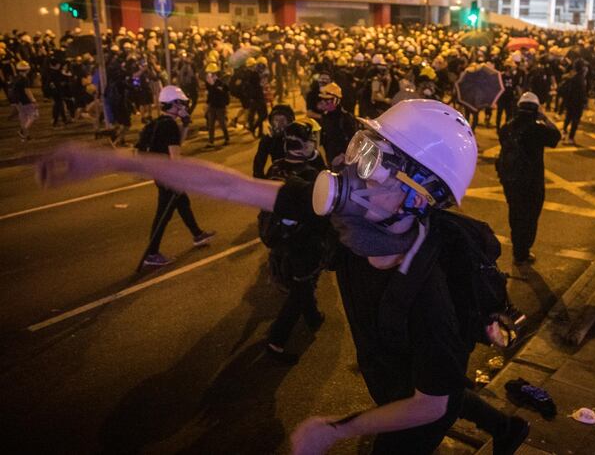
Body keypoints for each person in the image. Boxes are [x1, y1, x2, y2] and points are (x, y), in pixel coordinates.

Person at [38, 99, 529, 455]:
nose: (351, 169)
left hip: (415, 410)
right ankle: (507, 430)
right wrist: (110, 159)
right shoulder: (351, 223)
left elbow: (427, 404)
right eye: (361, 147)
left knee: (436, 398)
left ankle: (502, 430)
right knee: (437, 379)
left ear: (419, 196)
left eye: (374, 162)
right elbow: (228, 185)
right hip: (397, 371)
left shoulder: (429, 293)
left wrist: (336, 429)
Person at [260, 120, 328, 364]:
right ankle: (276, 341)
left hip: (280, 241)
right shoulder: (309, 176)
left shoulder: (276, 168)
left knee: (303, 283)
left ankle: (313, 317)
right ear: (306, 144)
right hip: (304, 244)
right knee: (301, 288)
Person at [139, 85, 216, 267]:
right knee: (163, 216)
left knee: (183, 203)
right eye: (181, 103)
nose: (184, 106)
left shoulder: (161, 122)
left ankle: (197, 234)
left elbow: (176, 142)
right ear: (174, 104)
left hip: (160, 173)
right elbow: (175, 154)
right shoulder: (170, 126)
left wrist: (186, 124)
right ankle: (152, 253)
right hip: (169, 176)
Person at [496, 92, 561, 265]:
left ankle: (518, 248)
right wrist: (543, 116)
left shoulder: (506, 127)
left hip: (510, 179)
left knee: (515, 213)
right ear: (535, 108)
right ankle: (523, 250)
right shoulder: (537, 128)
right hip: (531, 181)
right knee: (531, 216)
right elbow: (556, 136)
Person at [253, 104, 295, 179]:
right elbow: (259, 163)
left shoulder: (298, 137)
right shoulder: (268, 140)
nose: (278, 124)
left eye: (282, 121)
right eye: (276, 120)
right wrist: (260, 181)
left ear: (290, 122)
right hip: (279, 176)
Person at [559, 59, 588, 145]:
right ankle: (571, 137)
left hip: (569, 101)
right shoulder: (580, 78)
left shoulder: (571, 75)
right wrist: (584, 102)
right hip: (577, 102)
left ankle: (564, 132)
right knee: (575, 120)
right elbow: (582, 92)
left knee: (568, 117)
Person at [10, 61, 38, 141]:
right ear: (27, 69)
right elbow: (27, 91)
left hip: (16, 100)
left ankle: (25, 136)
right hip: (24, 100)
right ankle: (23, 131)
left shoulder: (16, 77)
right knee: (34, 115)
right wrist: (33, 100)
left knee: (23, 117)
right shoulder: (25, 79)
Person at [204, 63, 229, 147]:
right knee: (211, 125)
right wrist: (207, 103)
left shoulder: (219, 82)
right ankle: (211, 141)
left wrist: (213, 85)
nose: (209, 74)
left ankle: (227, 139)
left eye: (210, 73)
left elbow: (222, 92)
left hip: (220, 106)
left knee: (222, 124)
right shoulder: (208, 82)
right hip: (212, 105)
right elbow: (210, 94)